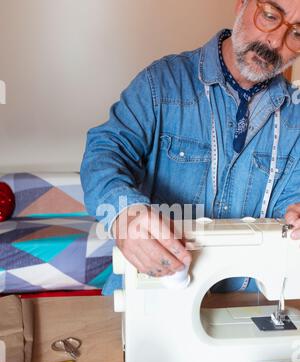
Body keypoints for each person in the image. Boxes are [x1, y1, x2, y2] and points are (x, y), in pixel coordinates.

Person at [81, 0, 300, 296]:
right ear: (242, 5)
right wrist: (124, 214)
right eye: (270, 15)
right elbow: (106, 152)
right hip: (150, 298)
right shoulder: (161, 82)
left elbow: (291, 205)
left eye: (297, 33)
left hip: (248, 307)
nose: (276, 41)